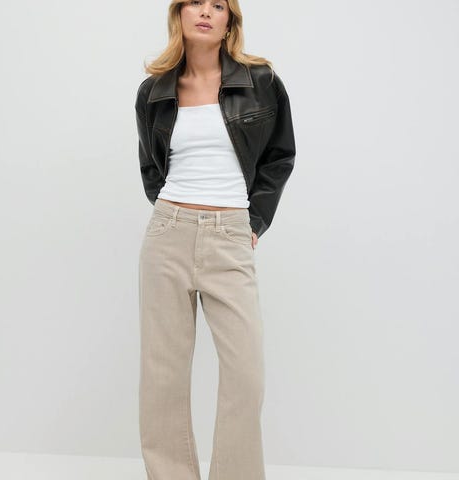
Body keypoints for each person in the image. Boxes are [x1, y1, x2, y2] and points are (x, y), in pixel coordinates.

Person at [134, 1, 296, 479]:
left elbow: (280, 156)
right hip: (168, 235)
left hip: (231, 234)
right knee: (162, 377)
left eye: (218, 5)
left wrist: (253, 221)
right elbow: (150, 167)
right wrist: (175, 216)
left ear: (229, 20)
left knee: (246, 374)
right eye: (195, 3)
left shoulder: (262, 81)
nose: (205, 12)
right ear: (179, 15)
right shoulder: (154, 91)